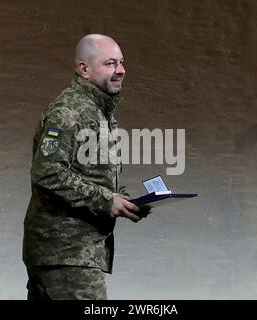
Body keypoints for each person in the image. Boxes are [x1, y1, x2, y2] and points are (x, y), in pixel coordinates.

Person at [22, 34, 151, 300]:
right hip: (65, 252)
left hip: (73, 252)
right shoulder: (68, 111)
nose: (121, 70)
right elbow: (47, 172)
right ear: (84, 69)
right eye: (111, 63)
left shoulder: (97, 112)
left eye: (122, 63)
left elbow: (90, 173)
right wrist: (106, 201)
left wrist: (125, 201)